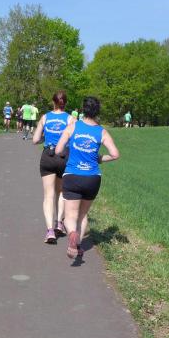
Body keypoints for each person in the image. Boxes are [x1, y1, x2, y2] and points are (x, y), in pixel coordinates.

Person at [55, 96, 120, 259]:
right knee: (83, 214)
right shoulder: (101, 131)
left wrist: (68, 153)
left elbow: (58, 150)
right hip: (92, 178)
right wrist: (99, 158)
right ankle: (78, 245)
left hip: (72, 175)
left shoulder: (73, 126)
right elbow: (115, 154)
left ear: (83, 110)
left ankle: (72, 234)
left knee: (70, 216)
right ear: (97, 111)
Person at [32, 91, 73, 243]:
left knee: (48, 195)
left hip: (48, 156)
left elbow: (35, 140)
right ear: (65, 103)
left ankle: (50, 231)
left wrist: (45, 137)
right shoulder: (70, 119)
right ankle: (59, 223)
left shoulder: (45, 117)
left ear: (53, 102)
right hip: (63, 157)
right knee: (61, 191)